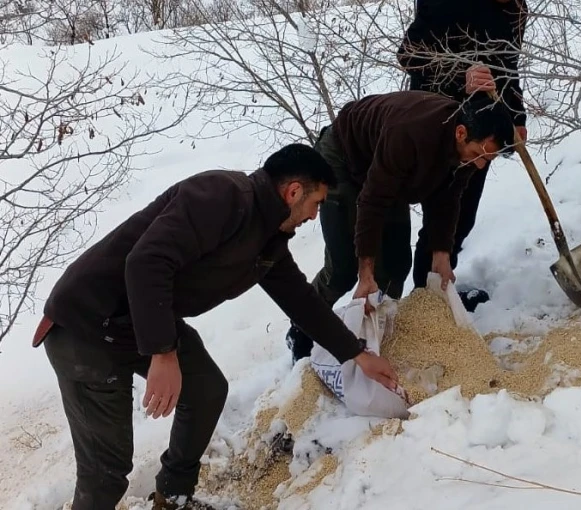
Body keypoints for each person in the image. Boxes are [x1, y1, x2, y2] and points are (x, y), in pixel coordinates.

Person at [31, 144, 399, 510]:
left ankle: (172, 497)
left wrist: (356, 354)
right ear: (293, 192)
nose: (315, 215)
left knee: (206, 389)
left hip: (138, 317)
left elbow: (302, 302)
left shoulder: (268, 239)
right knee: (106, 473)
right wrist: (162, 351)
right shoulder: (220, 196)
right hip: (86, 325)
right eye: (316, 203)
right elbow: (146, 262)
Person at [285, 90, 515, 362]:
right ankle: (302, 330)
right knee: (344, 268)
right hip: (344, 159)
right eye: (478, 154)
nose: (479, 165)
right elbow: (372, 201)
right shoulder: (410, 134)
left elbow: (448, 198)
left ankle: (378, 333)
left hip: (387, 170)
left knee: (396, 264)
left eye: (487, 160)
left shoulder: (467, 149)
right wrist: (365, 272)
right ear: (461, 132)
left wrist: (441, 253)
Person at [397, 0, 529, 311]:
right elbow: (409, 56)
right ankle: (426, 303)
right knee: (440, 219)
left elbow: (508, 65)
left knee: (462, 218)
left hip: (483, 127)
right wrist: (462, 74)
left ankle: (438, 292)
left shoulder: (516, 7)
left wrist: (517, 115)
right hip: (439, 125)